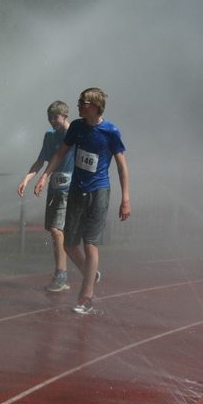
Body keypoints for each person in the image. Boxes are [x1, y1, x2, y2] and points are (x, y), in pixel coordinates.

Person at [36, 87, 130, 315]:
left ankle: (86, 297)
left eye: (83, 102)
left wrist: (126, 198)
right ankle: (91, 272)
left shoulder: (110, 131)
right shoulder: (77, 127)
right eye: (79, 101)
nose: (78, 104)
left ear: (96, 106)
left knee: (90, 244)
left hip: (98, 191)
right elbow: (60, 153)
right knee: (69, 243)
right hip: (76, 190)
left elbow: (121, 166)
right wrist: (45, 175)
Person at [17, 101, 76, 292]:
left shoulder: (75, 134)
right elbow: (40, 161)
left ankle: (61, 276)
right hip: (53, 189)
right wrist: (26, 179)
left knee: (57, 230)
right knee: (56, 232)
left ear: (65, 115)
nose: (52, 122)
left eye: (56, 118)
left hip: (70, 189)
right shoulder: (50, 137)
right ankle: (86, 269)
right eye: (50, 118)